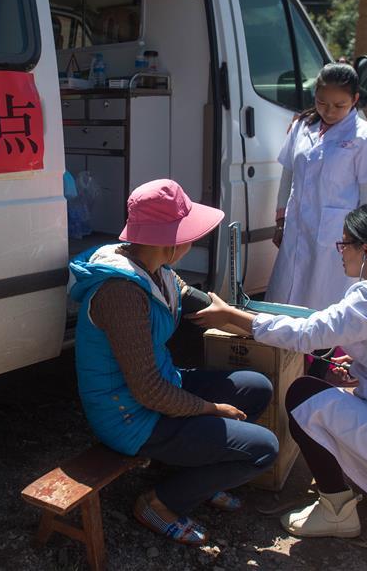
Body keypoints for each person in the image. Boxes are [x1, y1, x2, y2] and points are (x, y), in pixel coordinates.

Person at [190, 202, 367, 538]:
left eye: (344, 244)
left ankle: (337, 511)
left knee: (303, 394)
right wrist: (365, 366)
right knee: (330, 401)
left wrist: (229, 315)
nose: (340, 252)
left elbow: (306, 334)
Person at [69, 179, 278, 545]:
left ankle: (204, 473)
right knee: (263, 451)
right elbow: (147, 390)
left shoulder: (155, 268)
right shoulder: (121, 293)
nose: (192, 241)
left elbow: (188, 297)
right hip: (129, 416)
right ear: (170, 241)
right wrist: (210, 409)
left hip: (159, 388)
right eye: (188, 233)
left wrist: (241, 318)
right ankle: (161, 504)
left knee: (256, 386)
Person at [270, 63, 367, 312]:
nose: (330, 112)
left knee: (327, 306)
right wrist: (282, 220)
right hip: (297, 228)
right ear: (315, 95)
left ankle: (324, 351)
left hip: (339, 238)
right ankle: (285, 350)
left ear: (355, 100)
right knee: (286, 302)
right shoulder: (303, 127)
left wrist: (365, 241)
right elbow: (288, 173)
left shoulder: (364, 137)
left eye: (339, 106)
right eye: (322, 103)